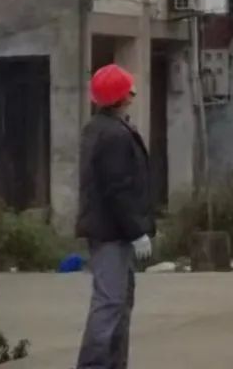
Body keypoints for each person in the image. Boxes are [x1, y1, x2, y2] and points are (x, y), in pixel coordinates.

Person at [75, 65, 154, 369]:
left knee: (119, 303)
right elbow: (117, 188)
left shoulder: (101, 128)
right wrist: (136, 231)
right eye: (129, 92)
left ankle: (113, 364)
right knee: (110, 303)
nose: (133, 96)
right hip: (113, 232)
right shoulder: (113, 135)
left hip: (110, 229)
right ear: (122, 97)